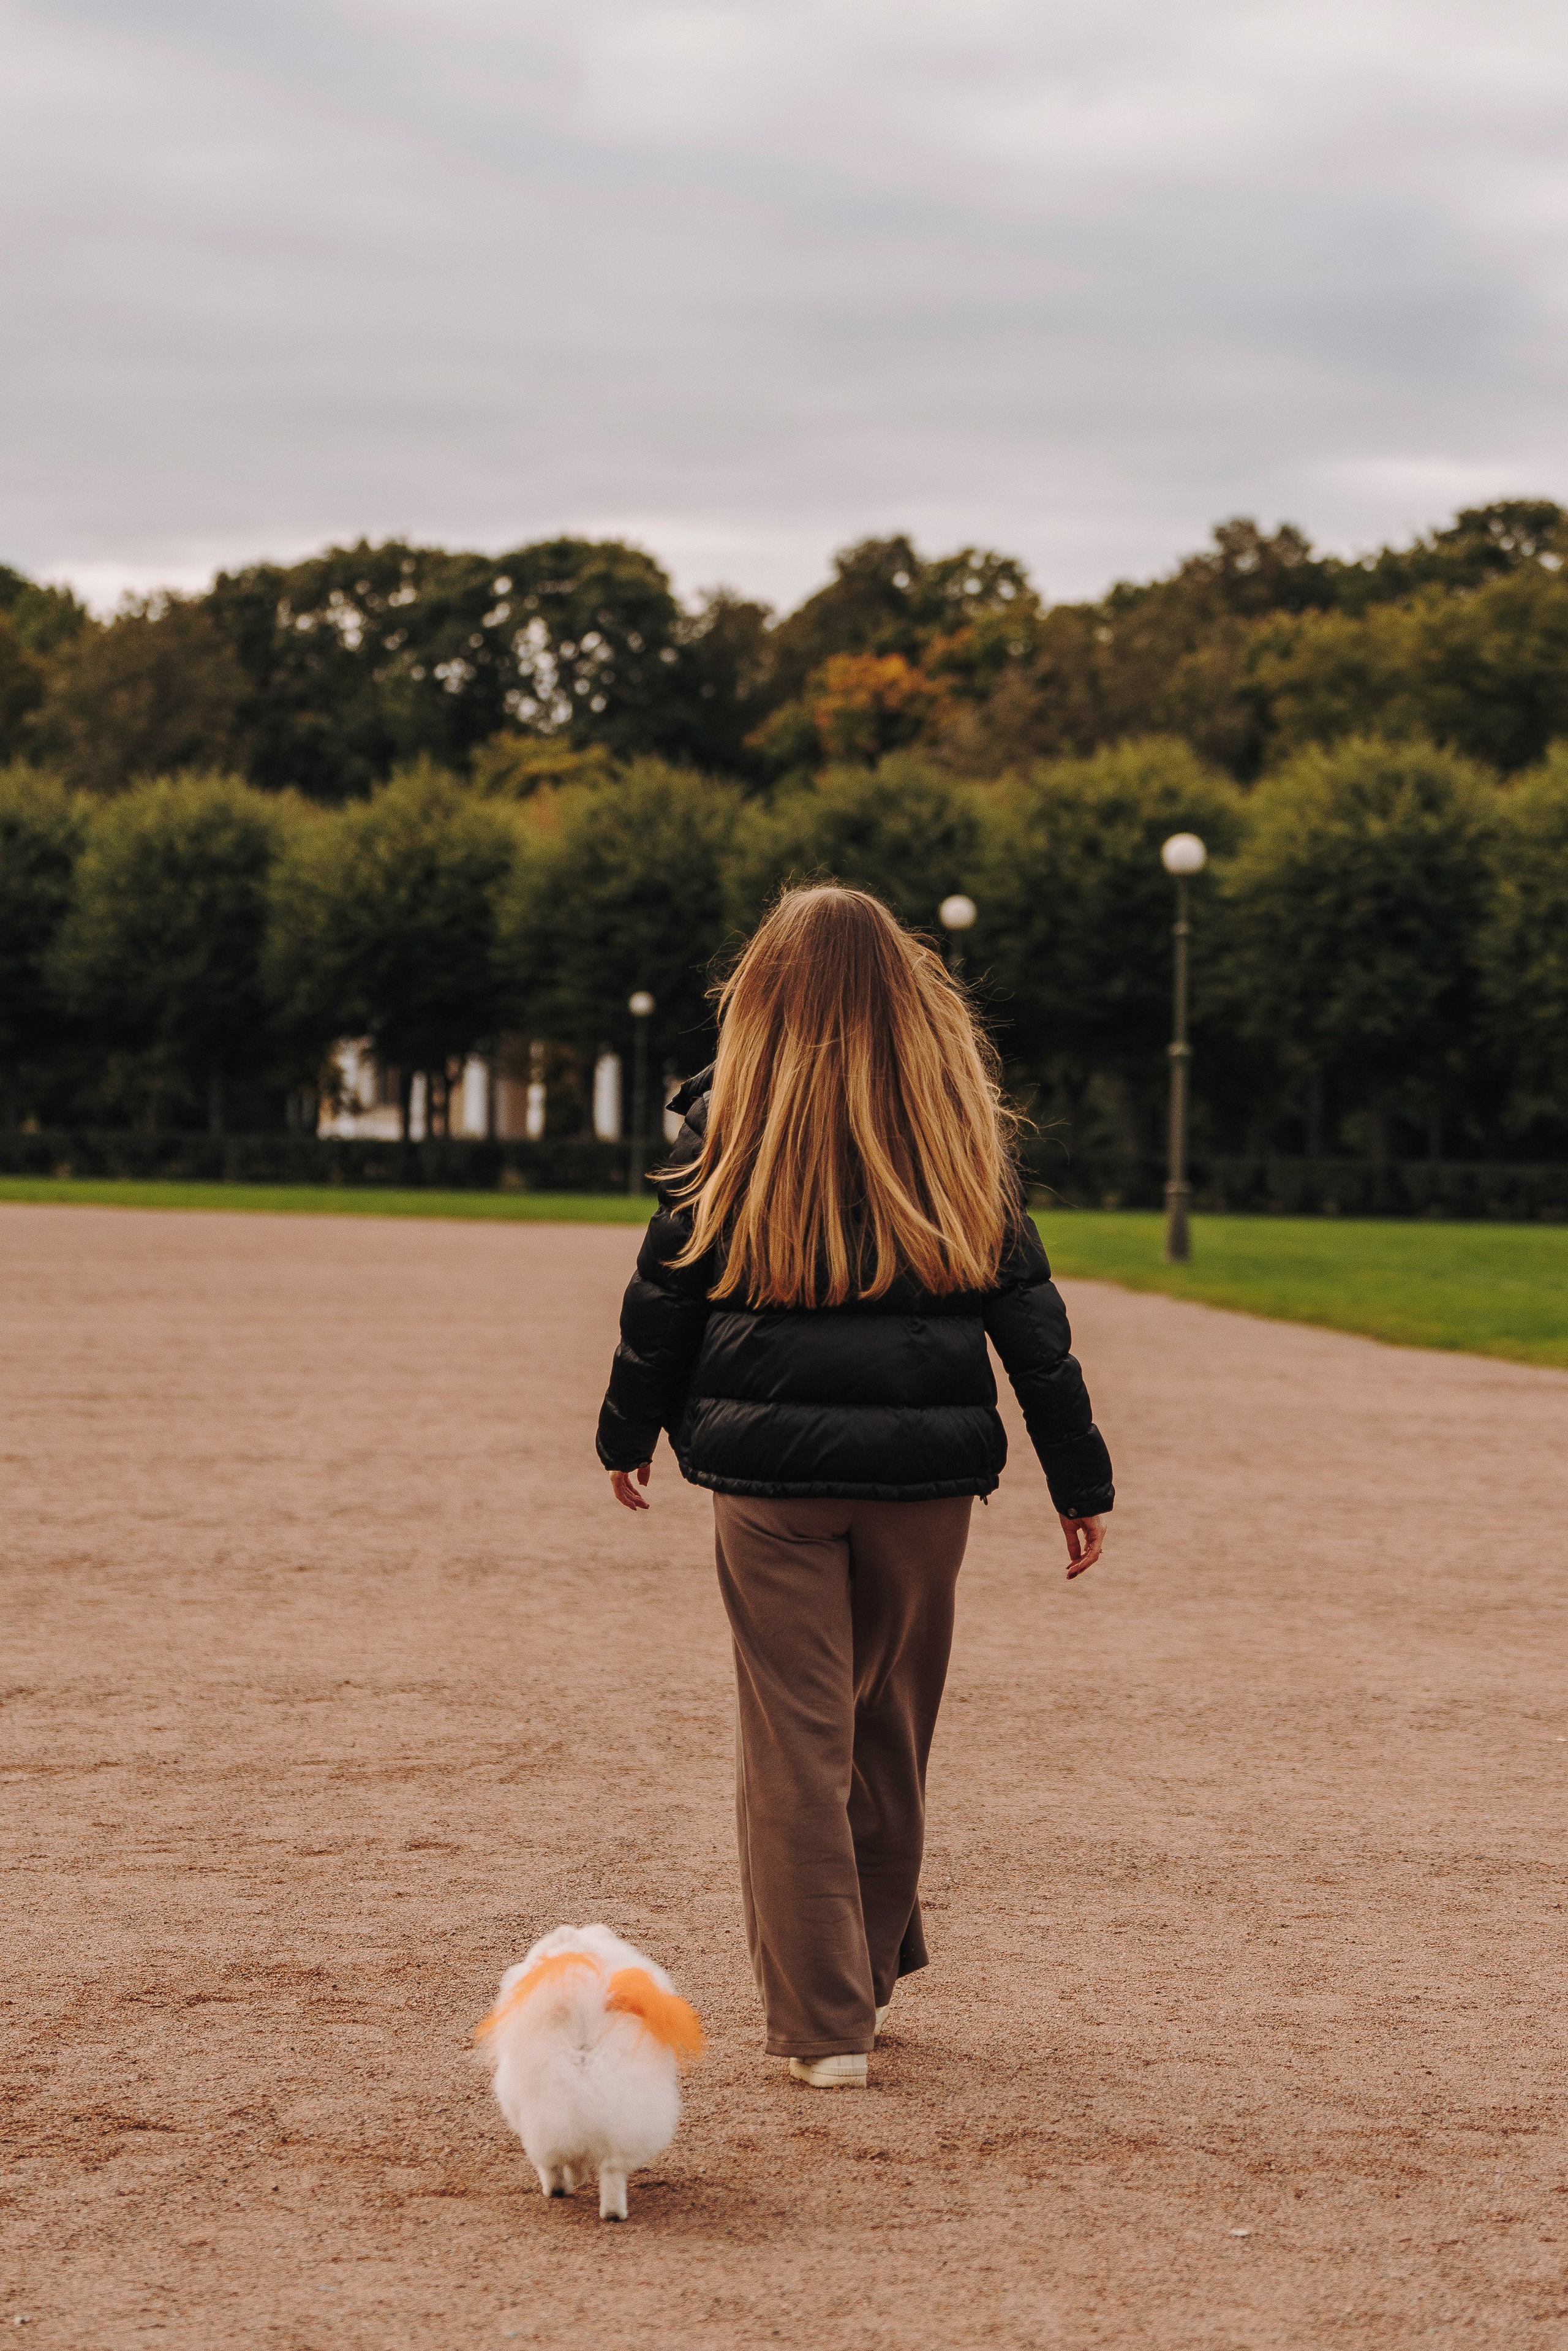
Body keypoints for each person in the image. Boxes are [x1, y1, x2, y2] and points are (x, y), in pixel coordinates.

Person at [596, 886, 1114, 2089]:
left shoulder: (729, 1117)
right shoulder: (951, 1118)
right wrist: (1076, 1478)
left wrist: (625, 1431)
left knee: (795, 1739)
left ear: (760, 992)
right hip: (924, 1479)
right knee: (887, 1725)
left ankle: (828, 2024)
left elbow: (664, 1294)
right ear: (908, 986)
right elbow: (1028, 1321)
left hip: (769, 1475)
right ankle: (862, 1973)